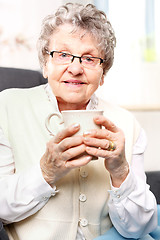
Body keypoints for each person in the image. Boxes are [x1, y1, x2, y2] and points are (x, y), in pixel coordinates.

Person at [0, 3, 158, 240]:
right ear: (45, 64)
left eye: (89, 58)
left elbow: (138, 228)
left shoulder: (126, 123)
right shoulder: (6, 107)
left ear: (103, 74)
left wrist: (120, 170)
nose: (75, 68)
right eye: (63, 55)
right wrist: (46, 171)